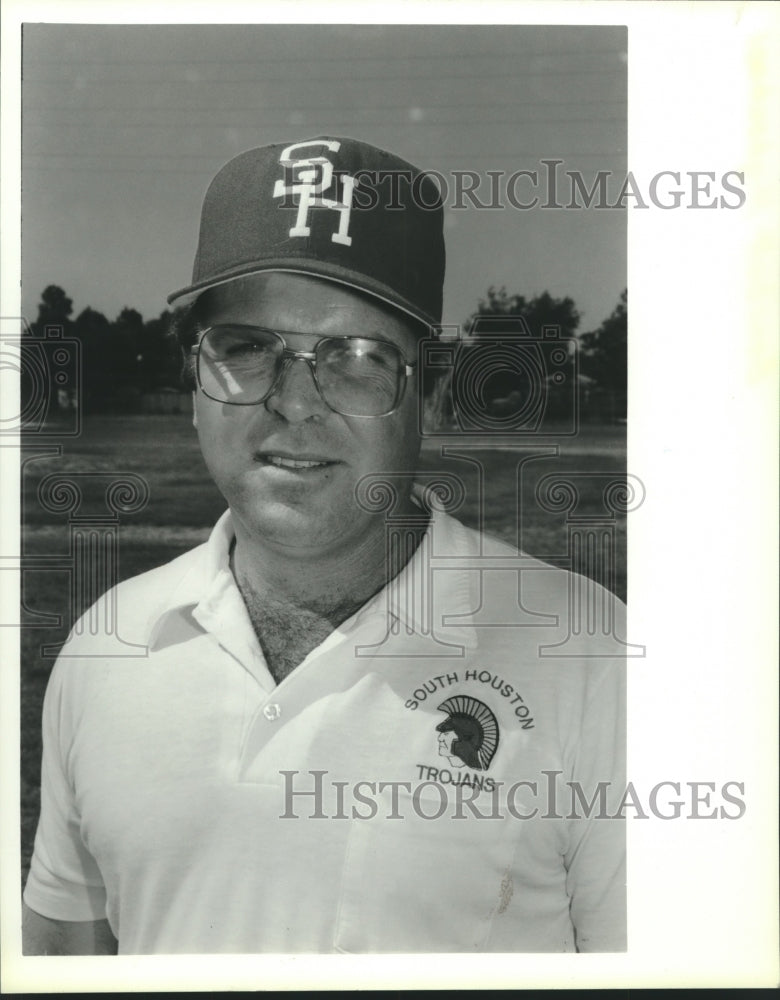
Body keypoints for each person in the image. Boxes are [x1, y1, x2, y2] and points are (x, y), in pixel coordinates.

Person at [22, 136, 626, 955]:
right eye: (246, 348)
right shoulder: (108, 641)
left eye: (356, 358)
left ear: (433, 394)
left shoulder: (592, 656)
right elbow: (66, 952)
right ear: (193, 377)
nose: (294, 402)